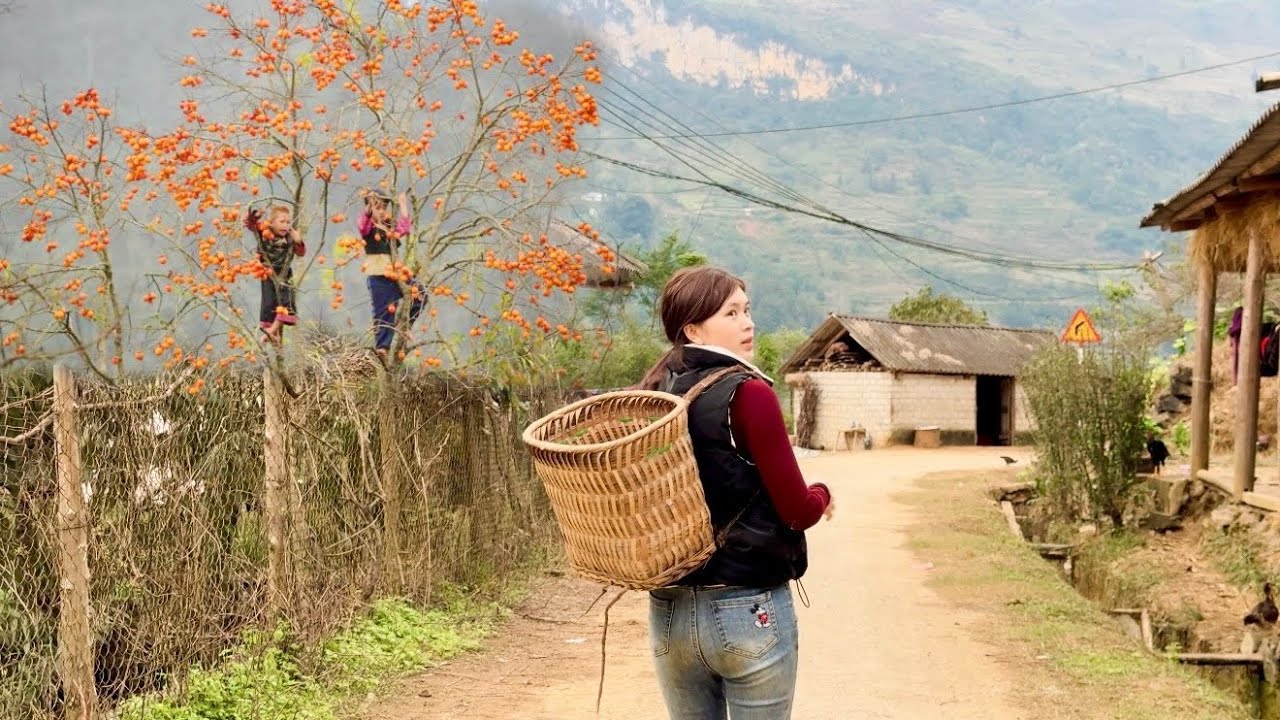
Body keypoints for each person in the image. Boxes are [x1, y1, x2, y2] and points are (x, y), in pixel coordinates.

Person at [636, 266, 833, 720]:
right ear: (692, 327)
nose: (748, 323)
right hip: (747, 609)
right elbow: (797, 510)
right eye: (731, 313)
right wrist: (822, 493)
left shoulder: (657, 393)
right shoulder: (749, 394)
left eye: (747, 310)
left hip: (670, 610)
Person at [357, 189, 425, 358]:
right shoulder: (368, 228)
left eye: (383, 208)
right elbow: (362, 223)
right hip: (378, 276)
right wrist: (369, 208)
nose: (381, 211)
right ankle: (383, 348)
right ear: (369, 208)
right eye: (377, 207)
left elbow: (405, 228)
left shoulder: (388, 225)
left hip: (396, 274)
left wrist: (403, 206)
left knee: (420, 294)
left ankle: (406, 326)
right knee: (384, 313)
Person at [244, 205, 305, 344]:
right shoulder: (264, 230)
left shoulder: (290, 236)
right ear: (271, 222)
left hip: (284, 274)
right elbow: (249, 223)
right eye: (282, 221)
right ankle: (275, 335)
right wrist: (255, 215)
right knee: (269, 303)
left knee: (285, 301)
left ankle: (272, 330)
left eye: (288, 222)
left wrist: (298, 241)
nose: (286, 225)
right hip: (266, 273)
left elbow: (301, 253)